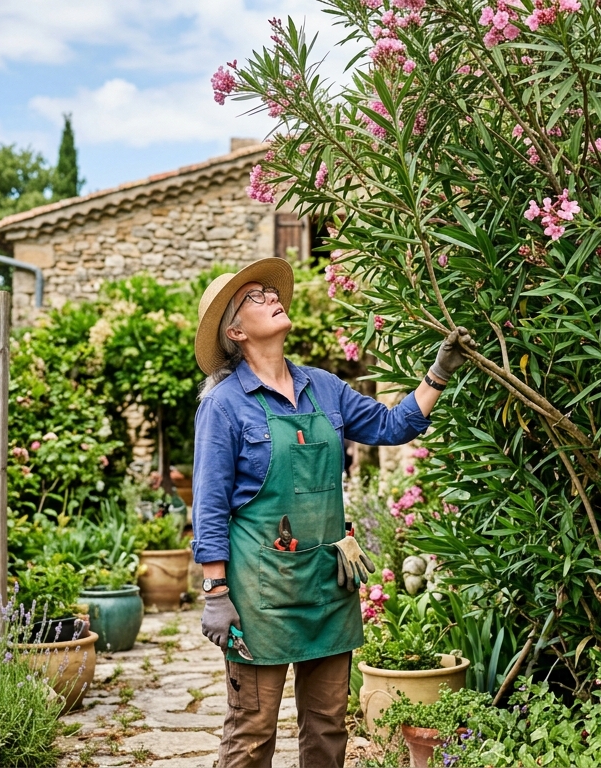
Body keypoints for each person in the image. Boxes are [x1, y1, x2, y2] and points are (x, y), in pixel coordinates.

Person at [189, 257, 474, 768]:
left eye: (270, 293)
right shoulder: (225, 405)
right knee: (252, 732)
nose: (272, 298)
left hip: (327, 584)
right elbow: (209, 506)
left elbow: (393, 426)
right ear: (236, 331)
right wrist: (215, 593)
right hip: (260, 595)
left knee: (327, 727)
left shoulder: (324, 387)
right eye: (254, 297)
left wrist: (439, 372)